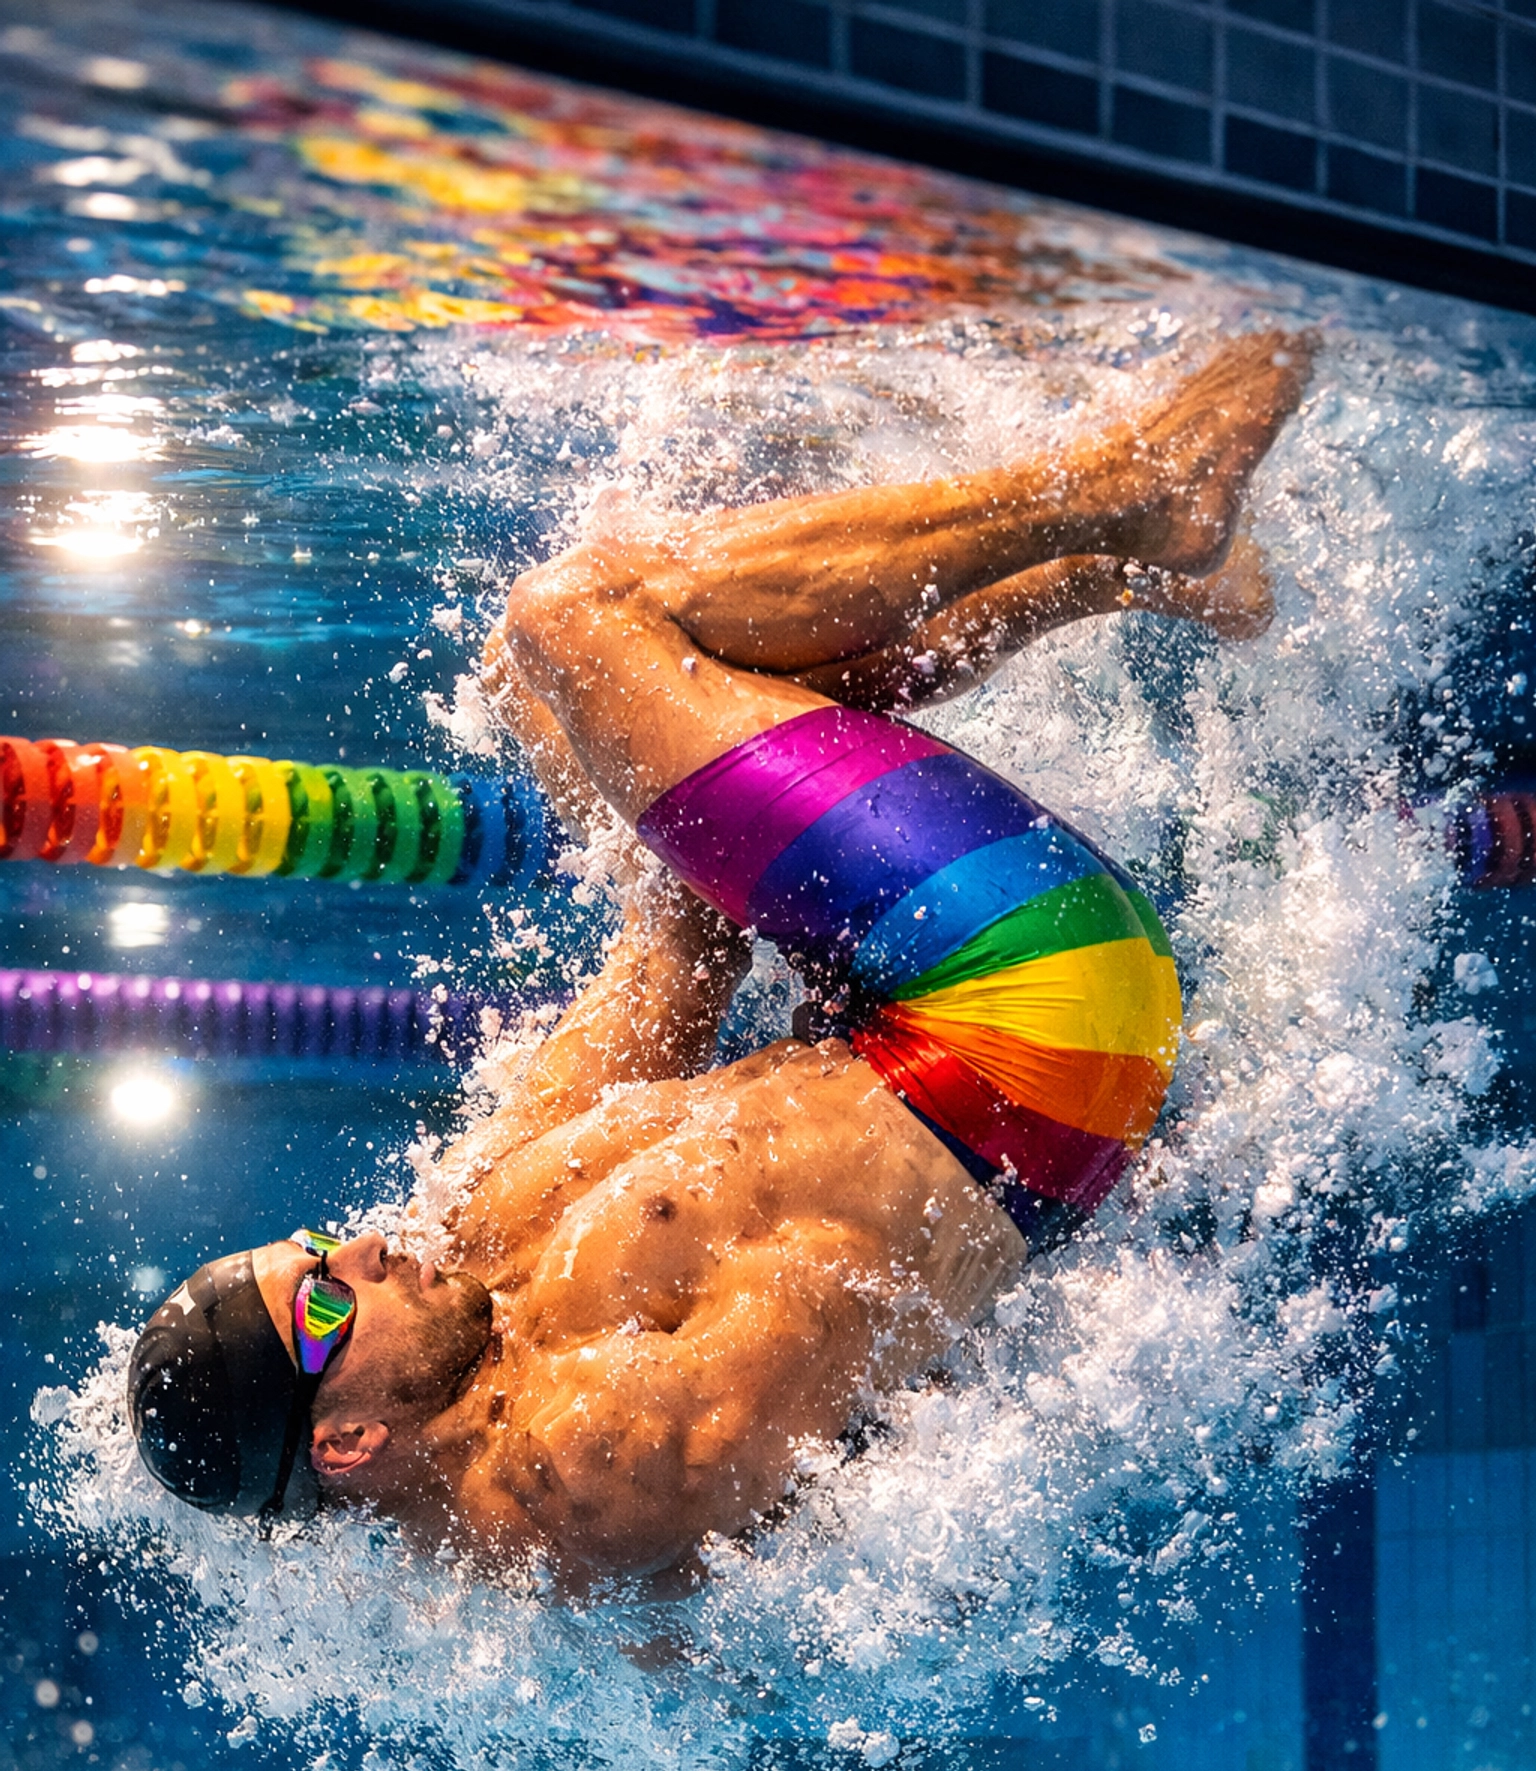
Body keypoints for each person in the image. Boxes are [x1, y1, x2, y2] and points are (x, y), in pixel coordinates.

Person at [128, 330, 1311, 1589]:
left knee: (568, 683)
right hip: (1024, 1032)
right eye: (324, 1304)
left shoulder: (462, 1253)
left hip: (931, 1018)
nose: (358, 1251)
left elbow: (673, 967)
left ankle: (1125, 570)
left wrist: (603, 757)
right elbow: (876, 1379)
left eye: (318, 1247)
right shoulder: (582, 1483)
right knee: (579, 620)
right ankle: (1129, 489)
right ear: (351, 1442)